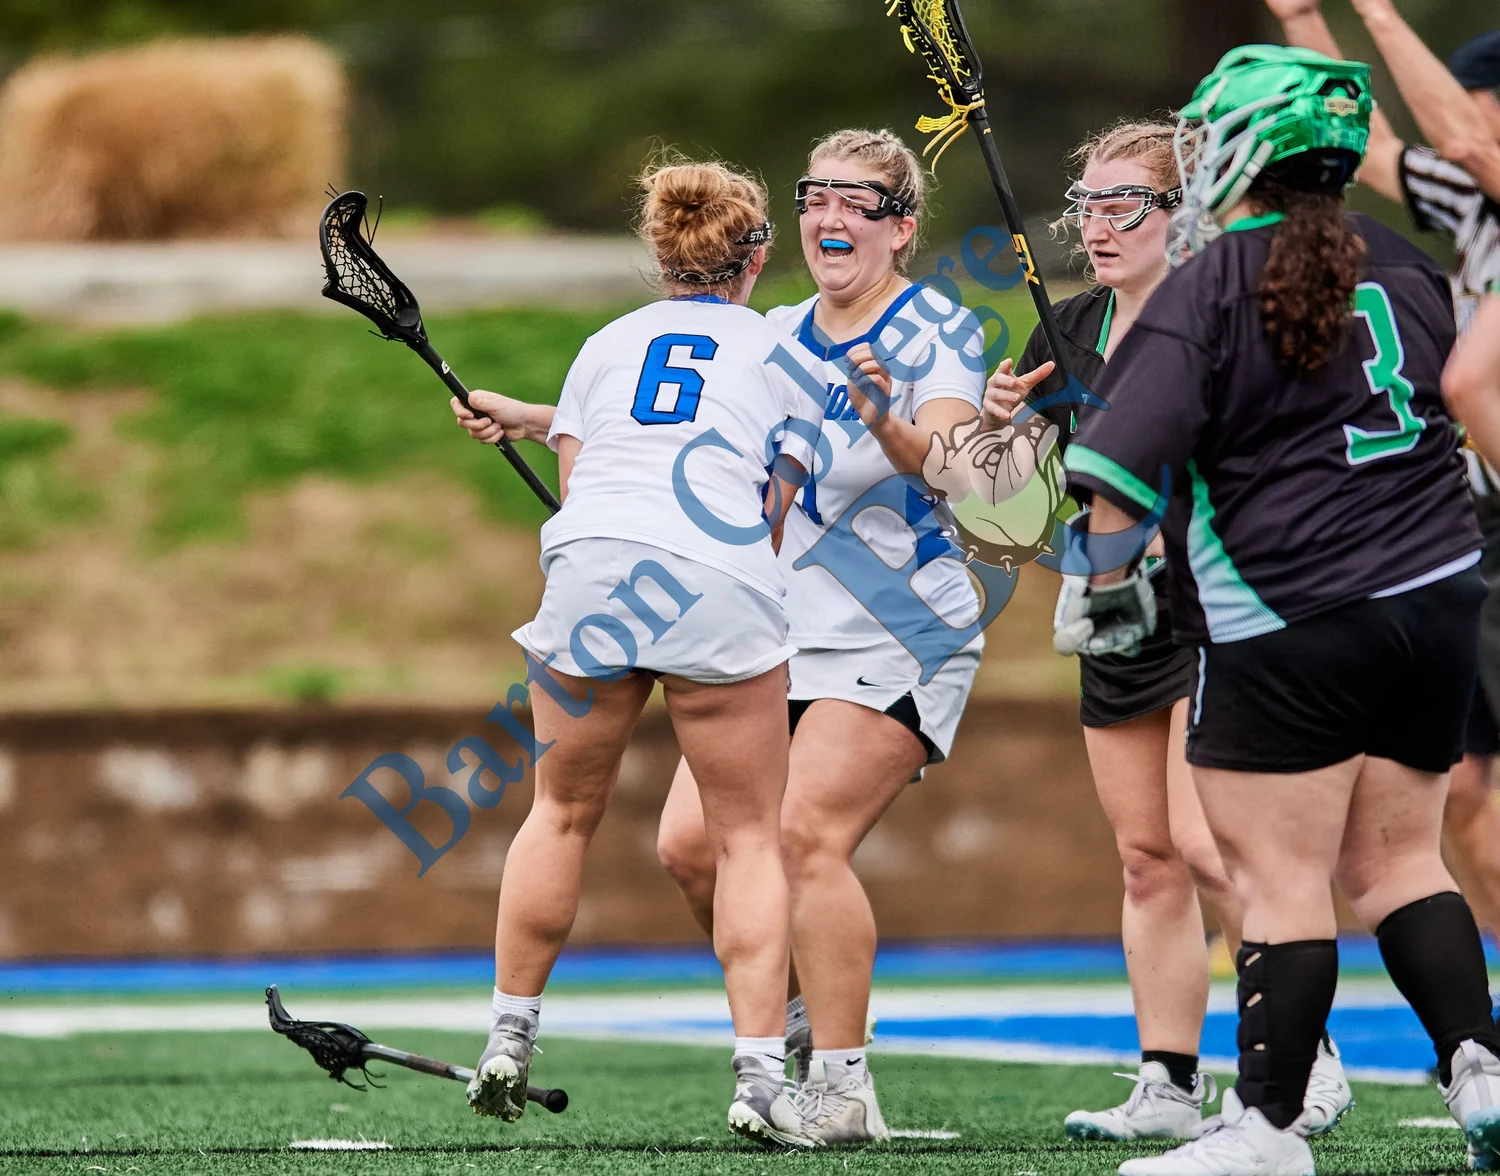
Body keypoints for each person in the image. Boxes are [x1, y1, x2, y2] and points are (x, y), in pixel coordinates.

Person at [1058, 45, 1500, 1176]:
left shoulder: (1210, 282)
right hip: (1438, 597)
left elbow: (1113, 470)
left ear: (1245, 150)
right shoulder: (1404, 262)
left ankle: (1265, 1129)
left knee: (1279, 880)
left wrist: (1107, 590)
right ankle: (1483, 1071)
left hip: (1285, 607)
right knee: (1403, 866)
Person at [449, 157, 827, 1148]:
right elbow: (771, 512)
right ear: (756, 257)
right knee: (746, 840)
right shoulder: (789, 354)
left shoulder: (606, 344)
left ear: (660, 255)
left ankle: (508, 1040)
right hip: (718, 579)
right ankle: (761, 1076)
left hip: (592, 572)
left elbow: (581, 488)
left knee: (559, 813)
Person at [654, 127, 986, 1145]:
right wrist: (546, 420)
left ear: (901, 228)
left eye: (858, 202)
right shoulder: (775, 333)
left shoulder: (939, 329)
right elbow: (695, 434)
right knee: (689, 849)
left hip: (899, 628)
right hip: (781, 631)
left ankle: (843, 1088)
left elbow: (955, 466)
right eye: (817, 197)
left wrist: (885, 419)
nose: (831, 217)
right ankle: (805, 1013)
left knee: (802, 839)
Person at [1267, 0, 1500, 949]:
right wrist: (1302, 17)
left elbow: (1464, 142)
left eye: (1474, 101)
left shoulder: (1483, 166)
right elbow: (1369, 149)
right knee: (1466, 784)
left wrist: (1374, 11)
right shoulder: (1476, 207)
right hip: (1472, 524)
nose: (1460, 124)